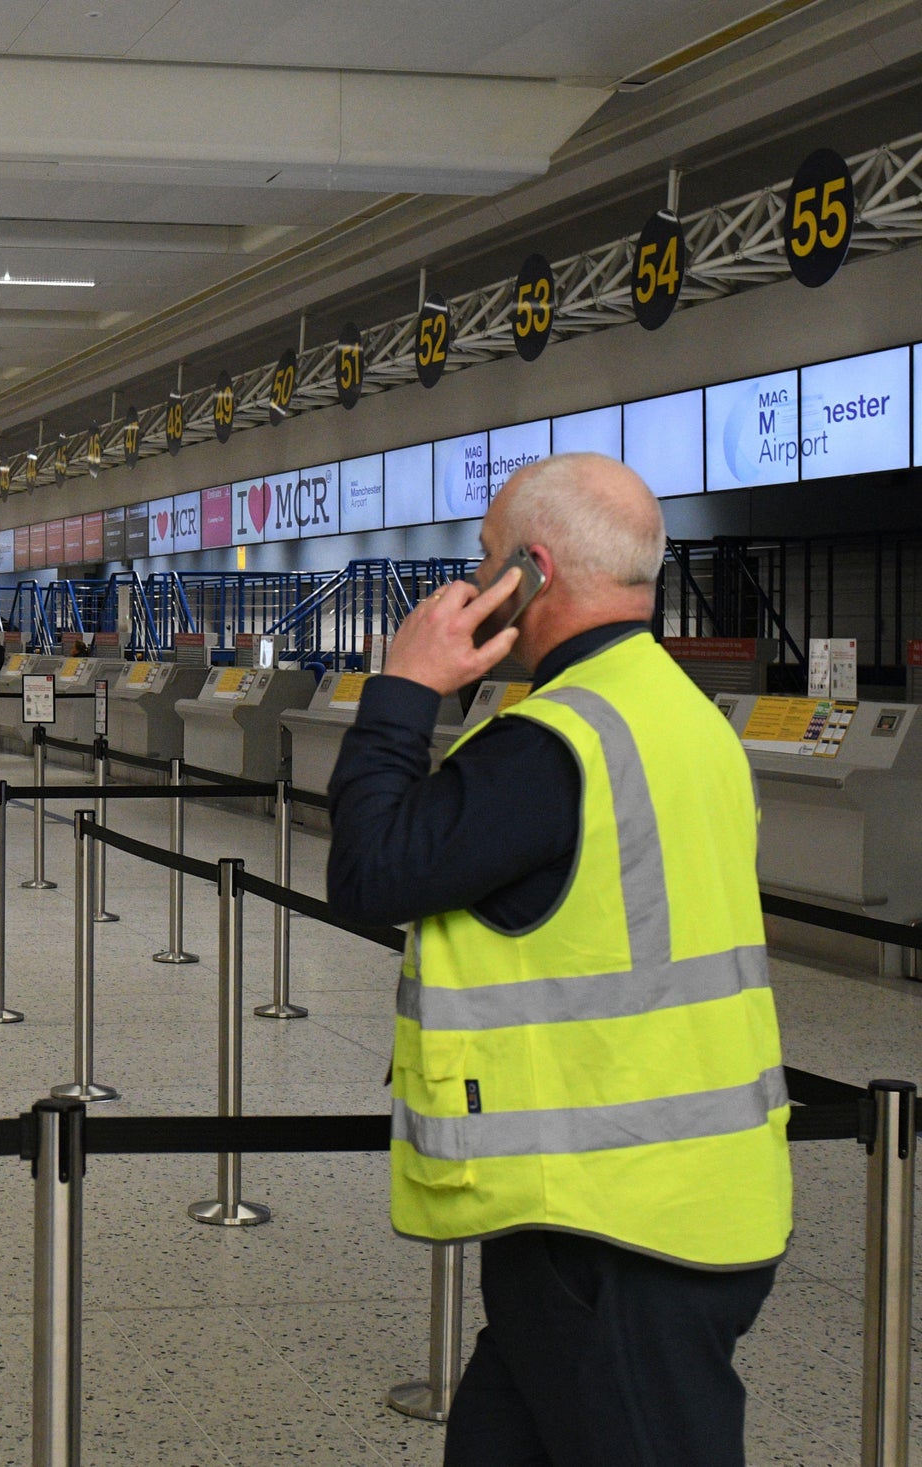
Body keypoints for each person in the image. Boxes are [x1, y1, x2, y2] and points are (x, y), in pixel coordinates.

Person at [326, 453, 787, 1467]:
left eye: (487, 561)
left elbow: (368, 870)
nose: (478, 579)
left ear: (530, 571)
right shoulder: (681, 714)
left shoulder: (554, 742)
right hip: (673, 1196)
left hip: (613, 1230)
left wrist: (402, 689)